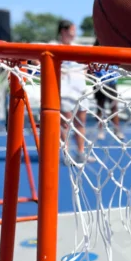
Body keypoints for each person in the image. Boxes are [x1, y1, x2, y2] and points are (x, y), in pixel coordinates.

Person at [51, 20, 90, 162]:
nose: (74, 33)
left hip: (80, 90)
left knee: (80, 123)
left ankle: (81, 153)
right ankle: (66, 153)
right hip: (65, 91)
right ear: (63, 31)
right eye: (72, 30)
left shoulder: (78, 47)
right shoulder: (53, 46)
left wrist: (84, 72)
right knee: (66, 124)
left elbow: (88, 63)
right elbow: (38, 60)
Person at [92, 42, 123, 140]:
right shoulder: (95, 47)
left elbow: (117, 63)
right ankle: (100, 130)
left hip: (111, 82)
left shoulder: (112, 45)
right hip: (99, 82)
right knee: (100, 107)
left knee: (114, 106)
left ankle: (117, 130)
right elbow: (91, 66)